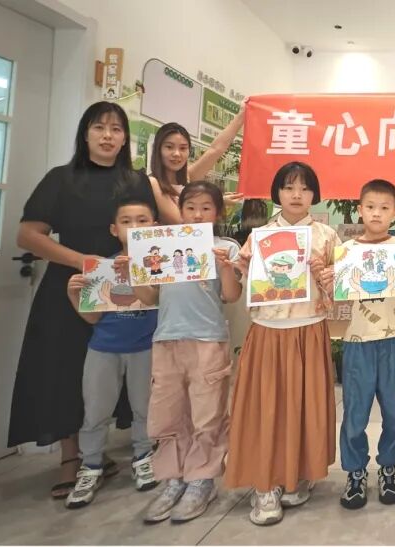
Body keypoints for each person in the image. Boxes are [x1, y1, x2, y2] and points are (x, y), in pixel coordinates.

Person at [9, 101, 159, 499]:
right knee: (66, 370)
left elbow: (153, 233)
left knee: (127, 373)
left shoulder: (136, 182)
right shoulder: (61, 179)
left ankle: (124, 454)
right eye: (99, 127)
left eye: (116, 129)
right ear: (85, 133)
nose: (107, 136)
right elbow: (28, 235)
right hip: (72, 286)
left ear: (125, 138)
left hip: (128, 289)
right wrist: (84, 263)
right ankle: (71, 459)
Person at [225, 162, 339, 526]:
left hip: (310, 329)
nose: (296, 195)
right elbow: (243, 289)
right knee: (267, 408)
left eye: (304, 188)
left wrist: (326, 277)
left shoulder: (326, 236)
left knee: (303, 407)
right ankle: (265, 484)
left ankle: (296, 474)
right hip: (269, 331)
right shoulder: (259, 237)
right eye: (289, 187)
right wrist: (240, 268)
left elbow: (340, 293)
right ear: (277, 193)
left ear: (314, 195)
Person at [133, 182, 242, 523]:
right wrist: (134, 274)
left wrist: (225, 267)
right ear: (180, 211)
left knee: (207, 415)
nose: (197, 214)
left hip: (208, 340)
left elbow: (231, 296)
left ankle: (202, 480)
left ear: (218, 213)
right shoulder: (164, 247)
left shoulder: (226, 247)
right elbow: (150, 298)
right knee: (168, 413)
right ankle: (174, 478)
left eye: (206, 208)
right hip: (166, 339)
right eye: (190, 207)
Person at [328, 179, 395, 510]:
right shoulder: (348, 251)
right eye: (370, 207)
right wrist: (330, 279)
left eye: (384, 208)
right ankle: (355, 471)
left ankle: (389, 466)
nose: (377, 213)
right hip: (358, 341)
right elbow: (338, 296)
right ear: (359, 210)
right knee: (355, 411)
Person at [63, 197, 160, 509]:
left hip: (146, 348)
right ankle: (90, 466)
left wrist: (136, 272)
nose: (134, 227)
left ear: (155, 226)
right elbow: (93, 318)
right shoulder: (101, 268)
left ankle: (143, 457)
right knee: (95, 411)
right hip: (103, 348)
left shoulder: (159, 265)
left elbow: (157, 300)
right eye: (126, 221)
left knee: (145, 407)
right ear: (114, 229)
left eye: (142, 220)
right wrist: (74, 295)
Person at [147, 113, 245, 223]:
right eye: (169, 147)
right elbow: (180, 221)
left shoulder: (188, 176)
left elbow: (216, 150)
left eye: (183, 148)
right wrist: (215, 202)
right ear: (158, 149)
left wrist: (241, 115)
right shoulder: (153, 182)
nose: (177, 154)